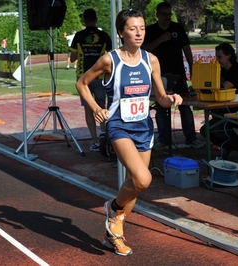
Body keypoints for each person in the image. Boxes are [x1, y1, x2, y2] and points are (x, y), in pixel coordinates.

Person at [75, 9, 183, 256]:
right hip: (118, 126)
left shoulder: (151, 60)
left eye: (142, 28)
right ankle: (114, 209)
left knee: (135, 183)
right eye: (133, 28)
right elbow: (81, 83)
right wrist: (95, 108)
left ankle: (113, 233)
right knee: (143, 179)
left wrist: (172, 98)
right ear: (121, 32)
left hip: (144, 126)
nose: (139, 33)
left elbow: (160, 98)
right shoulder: (109, 60)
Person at [142, 2, 204, 150]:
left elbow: (186, 47)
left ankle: (191, 139)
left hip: (178, 74)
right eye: (163, 14)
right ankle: (163, 140)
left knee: (185, 106)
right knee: (162, 108)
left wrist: (192, 66)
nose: (167, 17)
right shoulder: (150, 31)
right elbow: (143, 50)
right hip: (159, 75)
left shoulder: (177, 28)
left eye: (169, 14)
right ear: (157, 15)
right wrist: (160, 40)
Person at [70, 9, 112, 152]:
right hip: (100, 75)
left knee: (89, 108)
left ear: (84, 20)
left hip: (84, 77)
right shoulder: (104, 35)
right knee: (102, 106)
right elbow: (111, 55)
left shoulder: (79, 36)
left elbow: (72, 58)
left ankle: (94, 140)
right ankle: (104, 136)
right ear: (96, 19)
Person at [199, 42, 238, 157]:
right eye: (216, 56)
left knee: (216, 127)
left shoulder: (237, 69)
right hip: (224, 108)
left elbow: (223, 87)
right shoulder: (220, 70)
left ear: (228, 56)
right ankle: (231, 147)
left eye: (219, 57)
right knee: (205, 130)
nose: (217, 59)